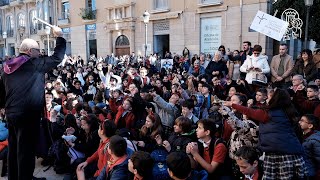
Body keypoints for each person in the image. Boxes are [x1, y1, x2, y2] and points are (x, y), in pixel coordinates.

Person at [0, 26, 65, 180]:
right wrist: (60, 36)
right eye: (37, 50)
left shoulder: (7, 67)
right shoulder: (34, 64)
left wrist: (3, 107)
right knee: (26, 151)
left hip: (12, 114)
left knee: (14, 148)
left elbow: (1, 92)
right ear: (30, 51)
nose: (40, 53)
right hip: (28, 116)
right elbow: (57, 57)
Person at [224, 88, 308, 179]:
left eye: (269, 96)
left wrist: (232, 104)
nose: (267, 99)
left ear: (275, 99)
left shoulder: (270, 114)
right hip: (293, 153)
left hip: (278, 155)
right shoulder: (288, 112)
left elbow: (250, 112)